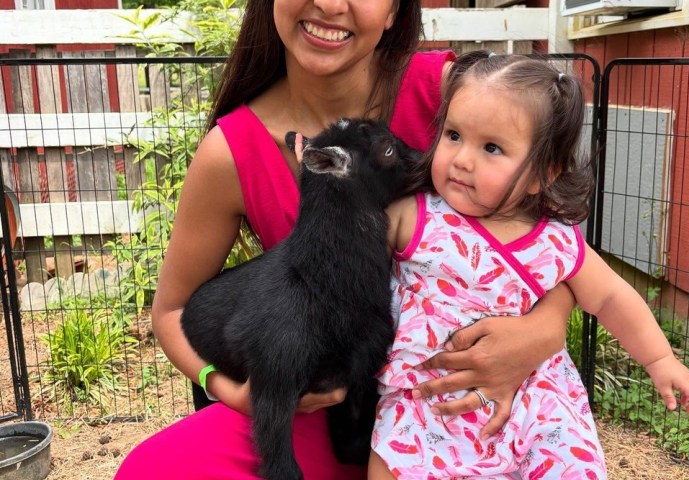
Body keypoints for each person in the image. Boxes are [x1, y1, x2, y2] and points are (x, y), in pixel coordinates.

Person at [115, 2, 577, 479]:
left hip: (468, 394)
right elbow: (170, 311)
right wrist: (234, 392)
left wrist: (543, 331)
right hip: (325, 409)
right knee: (151, 470)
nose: (332, 4)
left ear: (395, 9)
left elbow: (551, 245)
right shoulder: (233, 151)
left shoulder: (456, 96)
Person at [367, 50, 689, 480]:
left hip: (532, 407)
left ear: (541, 173)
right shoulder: (414, 216)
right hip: (427, 400)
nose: (462, 159)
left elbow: (613, 297)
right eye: (453, 134)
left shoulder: (555, 242)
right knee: (387, 465)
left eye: (491, 147)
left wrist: (659, 360)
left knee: (571, 462)